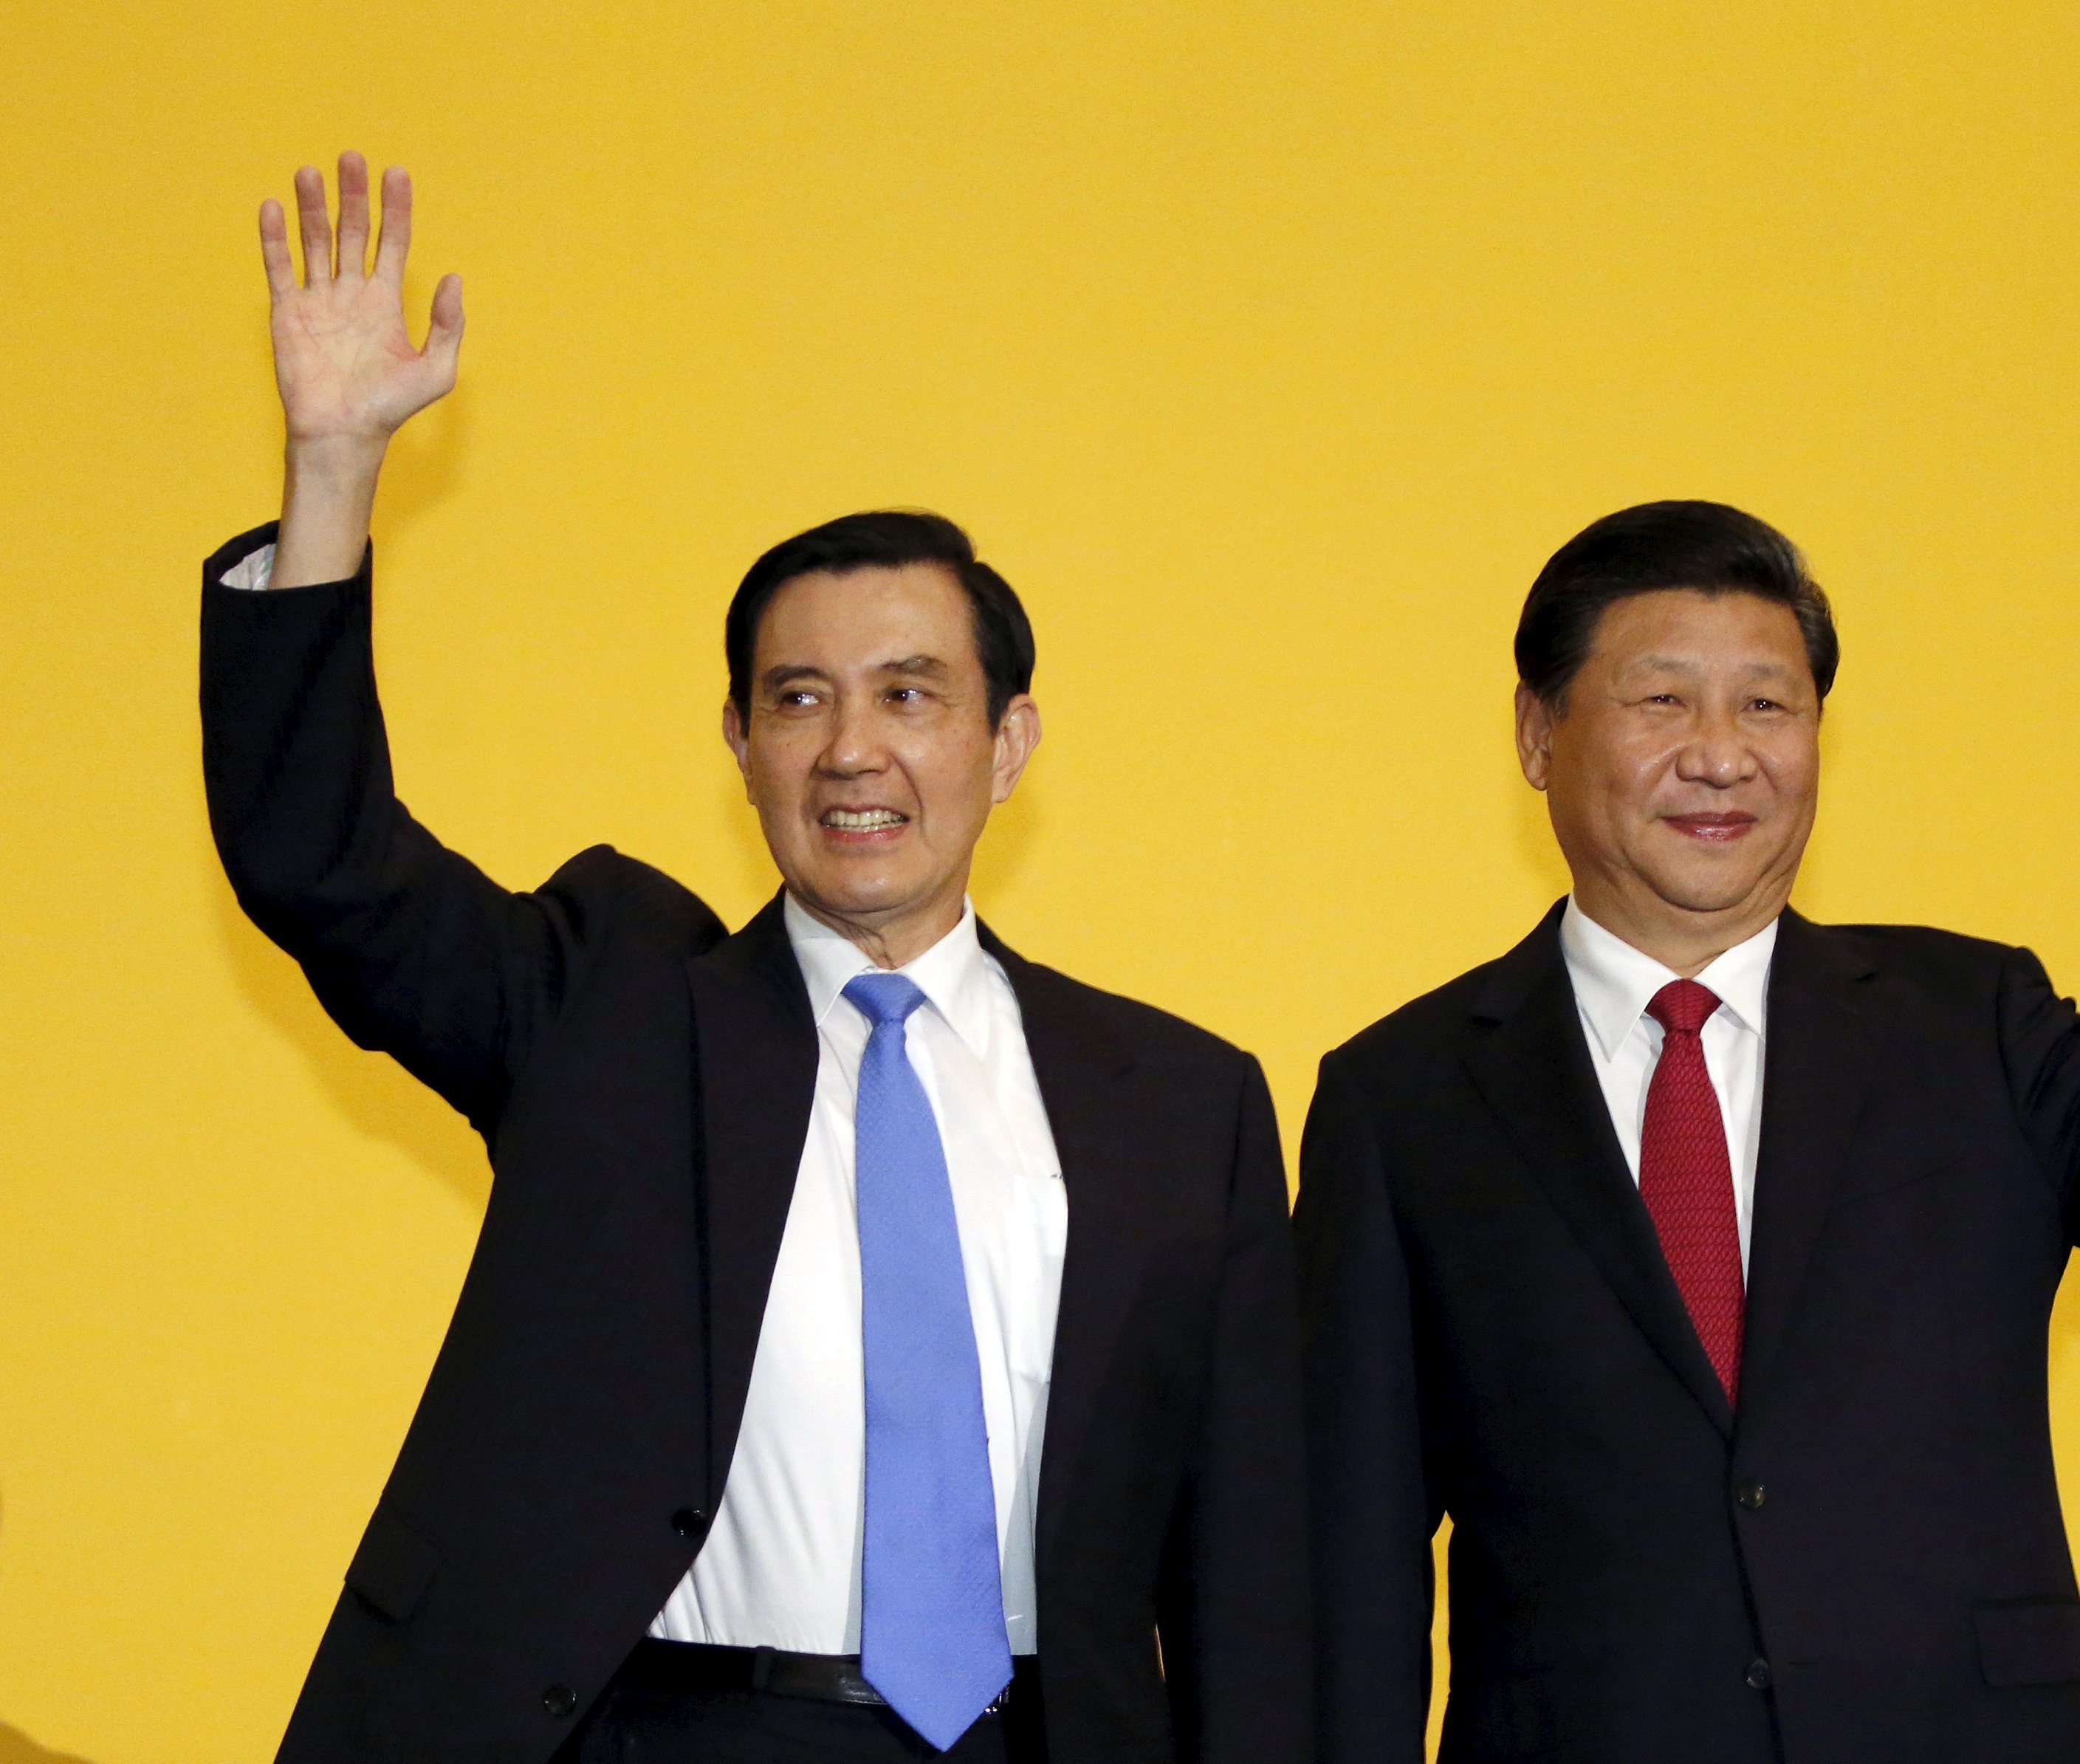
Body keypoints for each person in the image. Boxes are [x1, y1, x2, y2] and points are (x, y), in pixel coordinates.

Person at [204, 154, 1307, 1764]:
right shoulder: (615, 1006)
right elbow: (323, 867)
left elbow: (1244, 1566)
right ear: (738, 742)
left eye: (910, 695)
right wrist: (329, 473)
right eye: (797, 699)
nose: (852, 748)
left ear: (1010, 744)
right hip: (671, 1730)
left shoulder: (1180, 1103)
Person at [1297, 500, 2080, 1764]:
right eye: (1662, 702)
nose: (1721, 755)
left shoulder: (1972, 1023)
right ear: (1540, 734)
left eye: (1768, 705)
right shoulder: (1403, 1096)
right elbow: (1350, 1563)